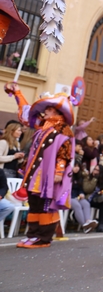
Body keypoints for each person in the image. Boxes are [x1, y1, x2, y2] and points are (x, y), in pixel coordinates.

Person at [4, 83, 76, 248]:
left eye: (50, 109)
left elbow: (64, 152)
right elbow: (26, 115)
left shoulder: (63, 129)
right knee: (34, 202)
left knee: (45, 204)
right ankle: (33, 234)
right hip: (35, 172)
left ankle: (43, 237)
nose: (46, 111)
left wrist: (59, 171)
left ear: (58, 112)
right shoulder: (43, 126)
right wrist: (17, 93)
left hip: (48, 173)